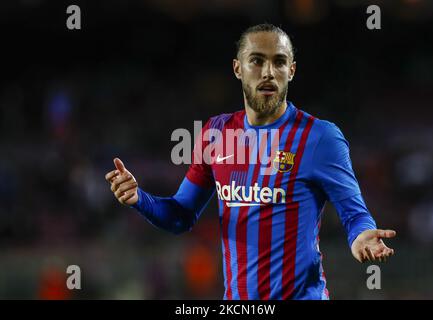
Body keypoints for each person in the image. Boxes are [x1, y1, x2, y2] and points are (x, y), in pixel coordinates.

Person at [105, 24, 396, 300]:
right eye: (256, 61)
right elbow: (181, 214)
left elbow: (354, 213)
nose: (268, 72)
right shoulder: (215, 134)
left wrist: (361, 236)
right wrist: (139, 198)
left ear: (291, 71)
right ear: (238, 68)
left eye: (279, 62)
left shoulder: (320, 138)